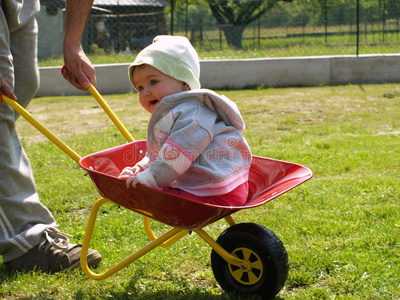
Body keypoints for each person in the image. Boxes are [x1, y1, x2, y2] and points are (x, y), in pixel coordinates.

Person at [0, 0, 101, 273]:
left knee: (23, 85)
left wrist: (73, 43)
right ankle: (26, 238)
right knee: (0, 107)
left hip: (18, 6)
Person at [118, 36, 252, 206]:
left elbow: (174, 158)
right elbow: (163, 151)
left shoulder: (193, 115)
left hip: (215, 190)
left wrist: (148, 179)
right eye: (140, 88)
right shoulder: (175, 112)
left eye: (153, 81)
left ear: (185, 83)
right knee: (147, 188)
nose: (145, 92)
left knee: (146, 195)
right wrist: (142, 167)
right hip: (209, 185)